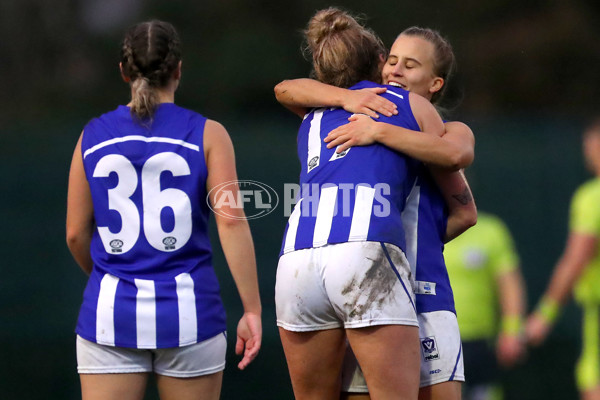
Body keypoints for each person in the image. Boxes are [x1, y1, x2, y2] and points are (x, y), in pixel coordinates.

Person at [276, 25, 477, 400]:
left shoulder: (446, 130)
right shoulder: (350, 112)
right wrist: (348, 101)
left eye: (411, 65)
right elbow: (287, 89)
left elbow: (463, 197)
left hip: (420, 290)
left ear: (435, 83)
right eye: (393, 60)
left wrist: (379, 132)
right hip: (371, 284)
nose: (396, 70)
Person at [66, 20, 262, 400]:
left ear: (123, 71)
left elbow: (76, 233)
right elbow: (232, 224)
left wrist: (109, 276)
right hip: (190, 317)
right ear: (178, 70)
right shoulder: (208, 134)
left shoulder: (91, 135)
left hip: (110, 316)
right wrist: (252, 309)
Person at [526, 119, 600, 400]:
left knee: (593, 379)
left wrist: (545, 314)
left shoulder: (592, 197)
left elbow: (576, 259)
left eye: (590, 146)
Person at [443, 211, 527, 400]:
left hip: (479, 341)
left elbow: (509, 284)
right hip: (430, 338)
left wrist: (512, 329)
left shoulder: (490, 231)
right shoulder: (418, 228)